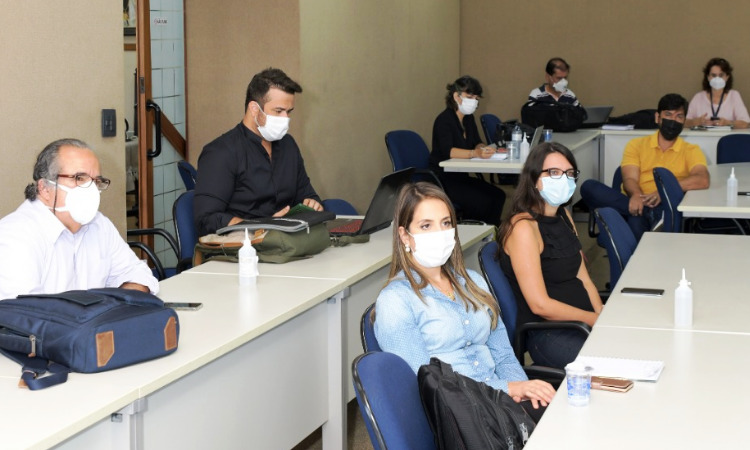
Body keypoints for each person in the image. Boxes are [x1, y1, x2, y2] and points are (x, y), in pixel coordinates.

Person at [374, 182, 555, 414]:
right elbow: (428, 385)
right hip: (459, 414)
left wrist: (524, 395)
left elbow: (503, 355)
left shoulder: (473, 282)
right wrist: (508, 388)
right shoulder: (396, 301)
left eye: (446, 223)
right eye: (426, 226)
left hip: (500, 402)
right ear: (405, 236)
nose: (439, 233)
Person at [0, 138, 158, 299]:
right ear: (44, 188)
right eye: (79, 178)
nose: (90, 190)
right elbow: (26, 315)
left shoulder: (99, 224)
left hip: (101, 323)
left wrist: (115, 304)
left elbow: (138, 274)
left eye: (95, 181)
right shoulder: (14, 236)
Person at [498, 142, 602, 370]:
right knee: (617, 364)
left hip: (582, 323)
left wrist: (602, 315)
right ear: (534, 179)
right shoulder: (523, 228)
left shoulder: (564, 215)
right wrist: (595, 321)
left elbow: (584, 280)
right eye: (554, 173)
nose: (563, 179)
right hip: (549, 333)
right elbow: (540, 305)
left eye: (569, 173)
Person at [194, 67, 322, 236]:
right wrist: (263, 227)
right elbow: (207, 219)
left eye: (289, 112)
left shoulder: (288, 146)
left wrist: (313, 204)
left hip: (286, 245)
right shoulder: (221, 153)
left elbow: (308, 195)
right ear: (254, 109)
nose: (286, 119)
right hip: (241, 251)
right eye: (278, 111)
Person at [580, 94, 710, 240]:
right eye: (668, 114)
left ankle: (645, 216)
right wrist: (636, 195)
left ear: (684, 121)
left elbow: (702, 179)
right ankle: (649, 213)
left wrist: (663, 192)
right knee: (588, 187)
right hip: (634, 200)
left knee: (635, 220)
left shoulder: (691, 150)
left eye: (679, 116)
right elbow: (629, 178)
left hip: (665, 205)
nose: (673, 120)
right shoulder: (636, 145)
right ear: (657, 118)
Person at [429, 76, 506, 226]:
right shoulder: (444, 120)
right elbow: (448, 152)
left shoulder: (468, 119)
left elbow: (476, 142)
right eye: (470, 97)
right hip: (442, 179)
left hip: (460, 176)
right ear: (456, 96)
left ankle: (491, 235)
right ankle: (477, 235)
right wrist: (474, 154)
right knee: (481, 202)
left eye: (476, 98)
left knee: (498, 195)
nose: (474, 101)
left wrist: (483, 148)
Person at [686, 57, 750, 129]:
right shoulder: (698, 97)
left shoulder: (734, 95)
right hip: (703, 139)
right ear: (708, 77)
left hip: (727, 139)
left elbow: (745, 123)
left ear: (727, 77)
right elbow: (683, 122)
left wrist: (728, 123)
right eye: (713, 75)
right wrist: (697, 121)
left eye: (721, 75)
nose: (717, 79)